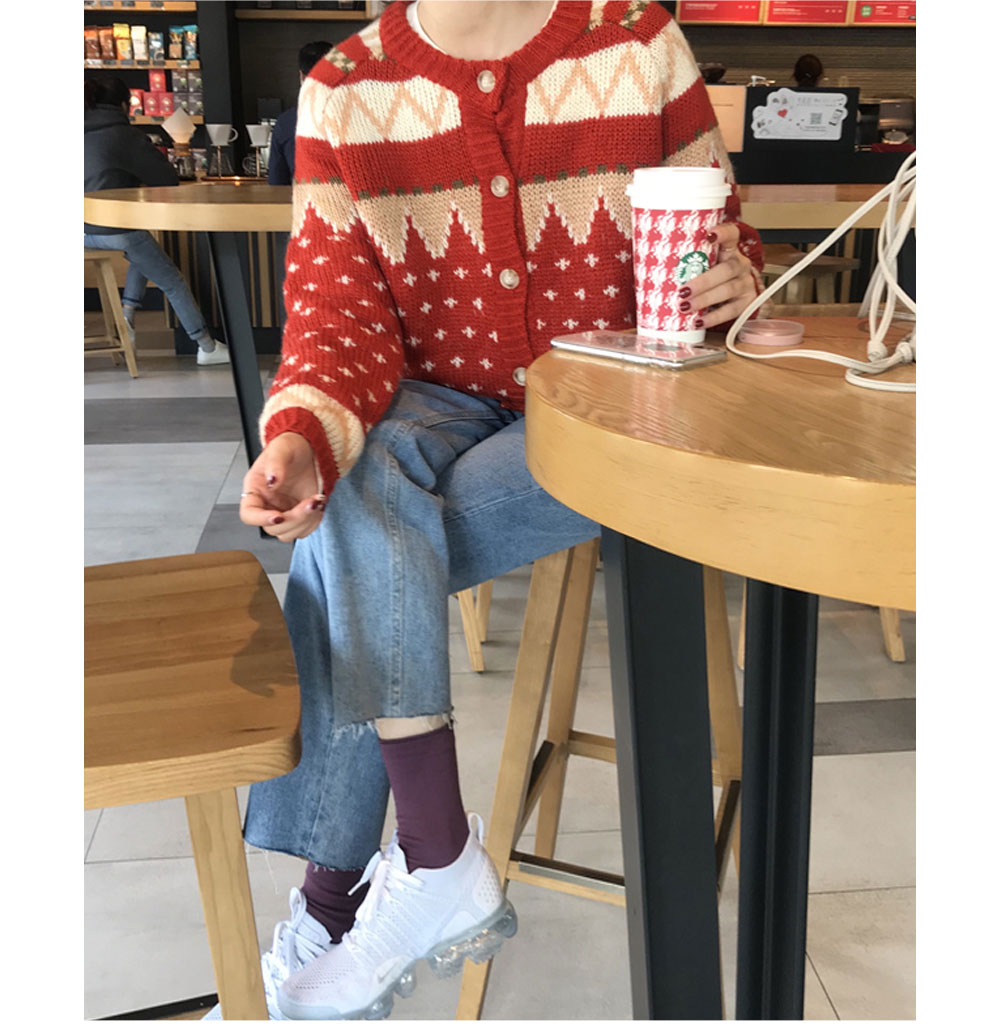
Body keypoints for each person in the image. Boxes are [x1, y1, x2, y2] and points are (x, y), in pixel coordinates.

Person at [231, 1, 763, 1020]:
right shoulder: (346, 87)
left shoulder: (634, 42)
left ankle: (343, 898)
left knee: (348, 541)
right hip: (439, 399)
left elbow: (718, 231)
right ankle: (428, 862)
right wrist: (300, 437)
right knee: (350, 486)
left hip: (615, 400)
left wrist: (730, 278)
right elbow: (337, 311)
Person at [84, 75, 230, 365]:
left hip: (82, 230)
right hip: (115, 228)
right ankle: (206, 346)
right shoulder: (123, 135)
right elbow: (166, 180)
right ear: (124, 105)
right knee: (172, 281)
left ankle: (126, 319)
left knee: (143, 252)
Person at [267, 41, 334, 185]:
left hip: (302, 198)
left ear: (302, 76)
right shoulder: (357, 119)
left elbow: (277, 183)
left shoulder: (286, 122)